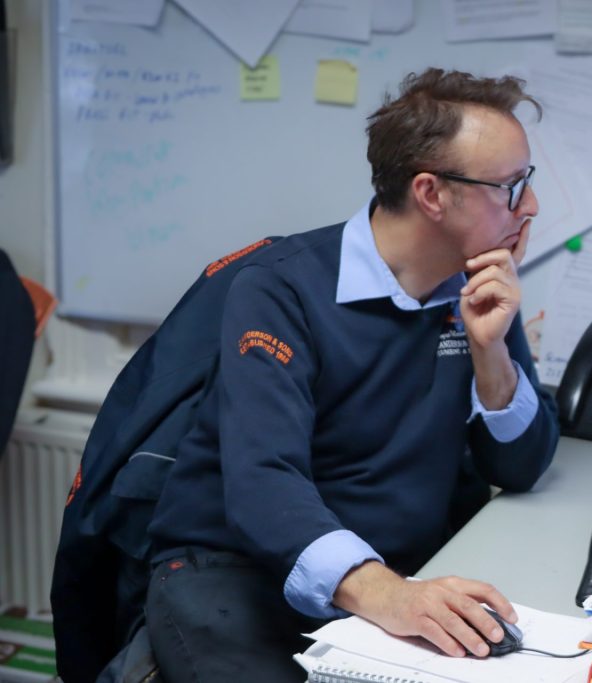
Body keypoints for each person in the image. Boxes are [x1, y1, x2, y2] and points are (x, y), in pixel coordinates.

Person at [144, 68, 560, 680]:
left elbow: (521, 467)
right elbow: (264, 481)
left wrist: (490, 351)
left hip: (396, 576)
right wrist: (389, 594)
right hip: (241, 577)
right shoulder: (281, 289)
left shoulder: (475, 283)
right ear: (431, 194)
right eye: (511, 186)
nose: (531, 206)